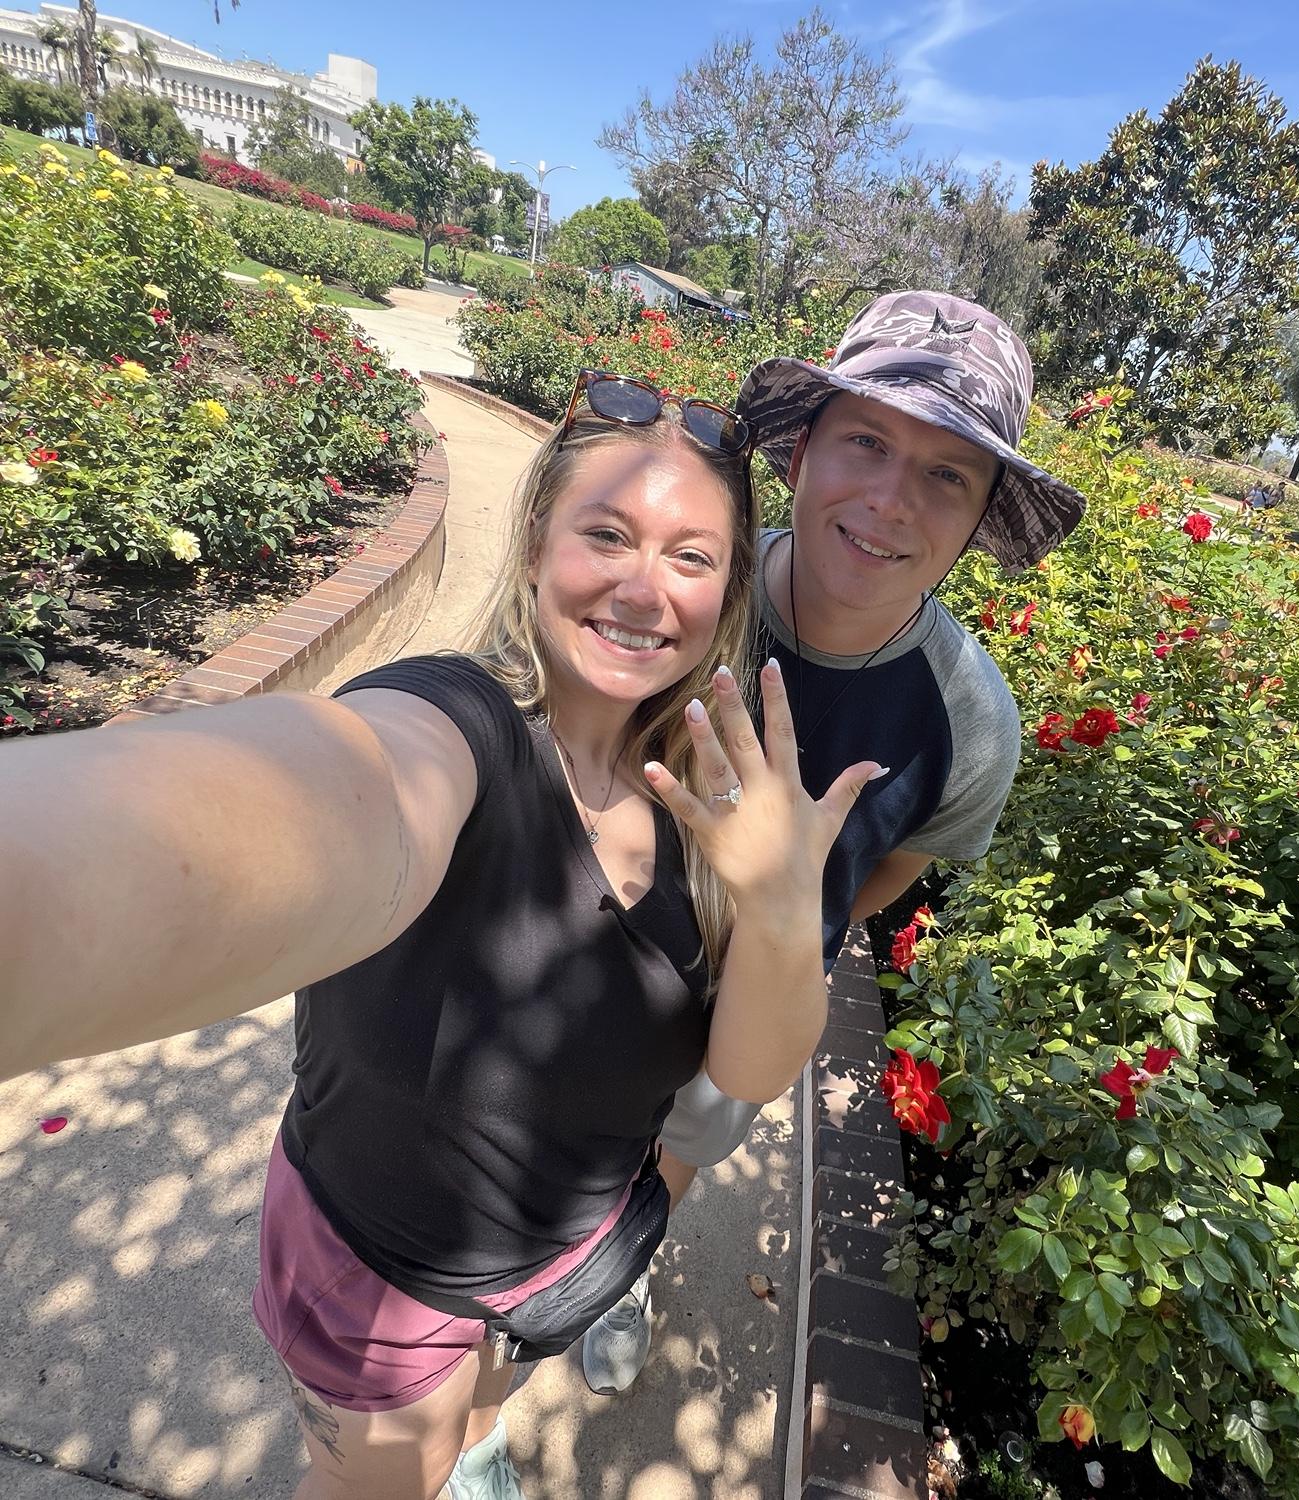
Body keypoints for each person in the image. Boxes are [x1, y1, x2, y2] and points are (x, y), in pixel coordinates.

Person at [0, 369, 884, 1500]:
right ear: (530, 545)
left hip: (566, 1257)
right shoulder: (454, 725)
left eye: (691, 557)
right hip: (385, 1277)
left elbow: (750, 1069)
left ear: (726, 594)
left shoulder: (708, 796)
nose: (644, 588)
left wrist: (769, 905)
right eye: (605, 533)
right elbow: (329, 794)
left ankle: (480, 1438)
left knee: (475, 1416)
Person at [579, 291, 1089, 1396]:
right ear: (802, 452)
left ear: (977, 515)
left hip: (760, 986)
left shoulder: (969, 722)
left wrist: (779, 923)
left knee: (687, 1133)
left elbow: (891, 873)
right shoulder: (689, 586)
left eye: (946, 474)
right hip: (593, 933)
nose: (890, 501)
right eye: (867, 441)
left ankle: (624, 1267)